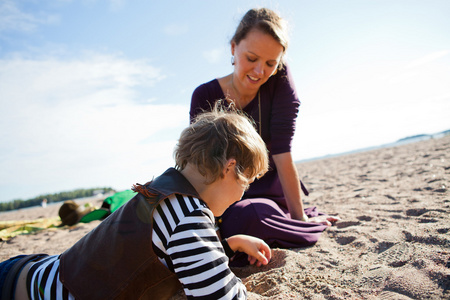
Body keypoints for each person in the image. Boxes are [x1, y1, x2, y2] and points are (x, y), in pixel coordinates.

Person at [0, 105, 271, 300]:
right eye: (248, 180)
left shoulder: (164, 192)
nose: (243, 193)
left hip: (32, 273)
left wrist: (227, 244)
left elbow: (170, 255)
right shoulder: (190, 215)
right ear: (229, 168)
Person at [190, 8, 339, 265]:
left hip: (269, 191)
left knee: (251, 216)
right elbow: (201, 168)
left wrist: (299, 219)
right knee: (236, 219)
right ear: (234, 47)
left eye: (271, 63)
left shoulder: (280, 80)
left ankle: (282, 220)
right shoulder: (204, 96)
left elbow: (282, 152)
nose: (260, 71)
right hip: (225, 196)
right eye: (252, 58)